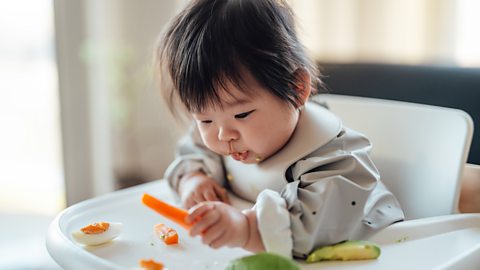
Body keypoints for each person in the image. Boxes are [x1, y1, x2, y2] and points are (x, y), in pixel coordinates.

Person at [156, 0, 404, 259]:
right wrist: (193, 180)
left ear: (297, 89)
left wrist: (247, 230)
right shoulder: (227, 129)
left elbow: (316, 225)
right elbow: (194, 151)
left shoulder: (336, 162)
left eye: (242, 114)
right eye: (204, 119)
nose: (223, 135)